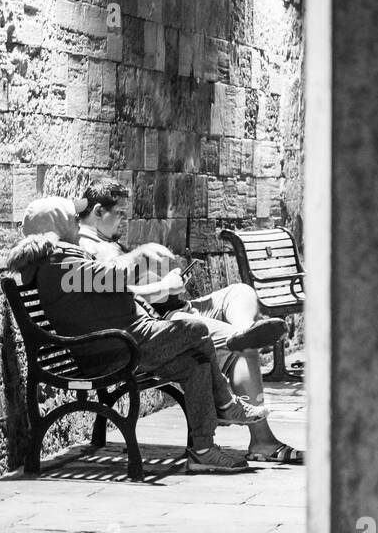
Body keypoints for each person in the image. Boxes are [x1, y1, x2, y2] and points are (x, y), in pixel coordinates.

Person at [5, 196, 265, 473]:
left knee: (195, 364)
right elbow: (111, 278)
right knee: (196, 329)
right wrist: (140, 256)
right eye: (71, 218)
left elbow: (104, 286)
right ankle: (225, 402)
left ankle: (203, 451)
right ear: (56, 225)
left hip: (123, 340)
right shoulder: (57, 265)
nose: (78, 223)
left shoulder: (61, 258)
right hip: (114, 348)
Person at [75, 177, 303, 465]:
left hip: (175, 308)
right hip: (162, 322)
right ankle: (262, 439)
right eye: (119, 213)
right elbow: (113, 291)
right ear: (97, 211)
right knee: (239, 347)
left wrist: (167, 282)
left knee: (240, 292)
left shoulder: (106, 242)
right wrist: (161, 286)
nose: (123, 220)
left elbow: (125, 285)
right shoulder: (86, 248)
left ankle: (244, 332)